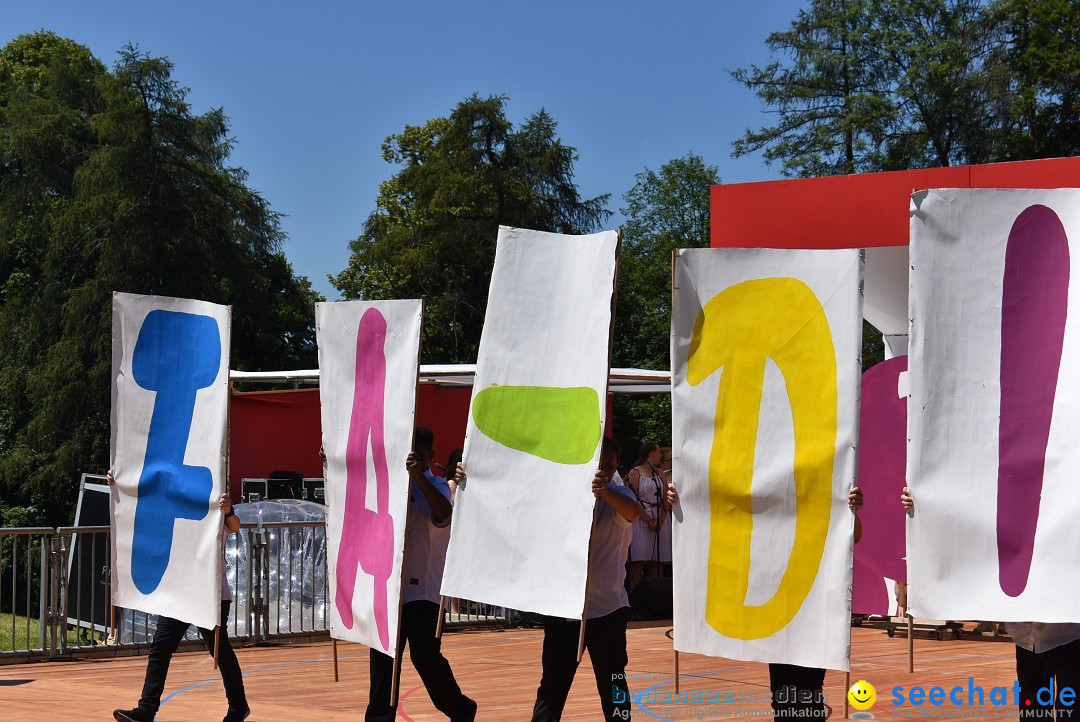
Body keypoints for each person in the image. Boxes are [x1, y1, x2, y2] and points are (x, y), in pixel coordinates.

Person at [455, 436, 676, 721]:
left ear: (616, 465)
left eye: (609, 465)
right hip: (565, 607)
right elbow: (514, 493)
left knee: (614, 684)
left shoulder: (621, 494)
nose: (604, 470)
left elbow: (632, 513)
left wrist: (605, 491)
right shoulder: (564, 493)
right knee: (552, 686)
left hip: (607, 609)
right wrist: (471, 478)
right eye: (599, 464)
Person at [900, 487, 1080, 721]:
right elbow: (968, 513)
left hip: (1069, 630)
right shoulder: (1011, 500)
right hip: (1025, 633)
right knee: (1033, 711)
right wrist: (924, 504)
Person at [109, 470, 250, 722]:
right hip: (179, 590)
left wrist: (227, 510)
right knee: (160, 647)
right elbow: (141, 501)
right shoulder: (169, 508)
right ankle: (147, 708)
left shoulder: (210, 505)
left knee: (220, 651)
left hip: (209, 592)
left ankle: (238, 706)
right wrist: (120, 484)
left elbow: (234, 527)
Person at [365, 427, 476, 722]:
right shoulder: (389, 484)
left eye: (422, 454)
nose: (415, 458)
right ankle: (379, 717)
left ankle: (460, 708)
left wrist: (417, 476)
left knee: (424, 657)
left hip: (423, 589)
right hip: (390, 585)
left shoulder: (437, 486)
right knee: (383, 656)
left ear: (430, 456)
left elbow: (442, 513)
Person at [769, 486, 863, 721]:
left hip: (814, 609)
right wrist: (683, 499)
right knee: (781, 693)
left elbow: (854, 535)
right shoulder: (772, 503)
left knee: (807, 691)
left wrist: (852, 510)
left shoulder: (823, 498)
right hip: (777, 611)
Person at [626, 442, 667, 589]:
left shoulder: (660, 473)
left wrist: (661, 519)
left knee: (657, 561)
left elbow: (666, 498)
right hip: (641, 519)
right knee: (638, 561)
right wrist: (649, 520)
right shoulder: (635, 473)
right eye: (658, 452)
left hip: (659, 520)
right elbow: (632, 498)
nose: (660, 455)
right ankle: (637, 598)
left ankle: (656, 599)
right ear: (651, 453)